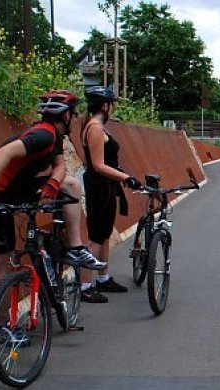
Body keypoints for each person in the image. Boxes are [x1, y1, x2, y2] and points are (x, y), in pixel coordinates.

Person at [0, 90, 106, 284]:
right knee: (3, 262)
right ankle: (0, 315)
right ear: (66, 115)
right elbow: (2, 153)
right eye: (75, 114)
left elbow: (60, 166)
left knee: (69, 183)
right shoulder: (43, 134)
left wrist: (53, 182)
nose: (76, 118)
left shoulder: (56, 137)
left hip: (17, 189)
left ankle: (74, 247)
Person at [80, 86, 142, 303]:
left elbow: (102, 162)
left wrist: (120, 174)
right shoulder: (95, 128)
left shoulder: (98, 127)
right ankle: (85, 285)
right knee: (96, 237)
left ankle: (103, 277)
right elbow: (96, 165)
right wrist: (125, 178)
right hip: (99, 186)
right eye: (111, 104)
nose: (112, 108)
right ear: (104, 106)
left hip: (106, 185)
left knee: (104, 233)